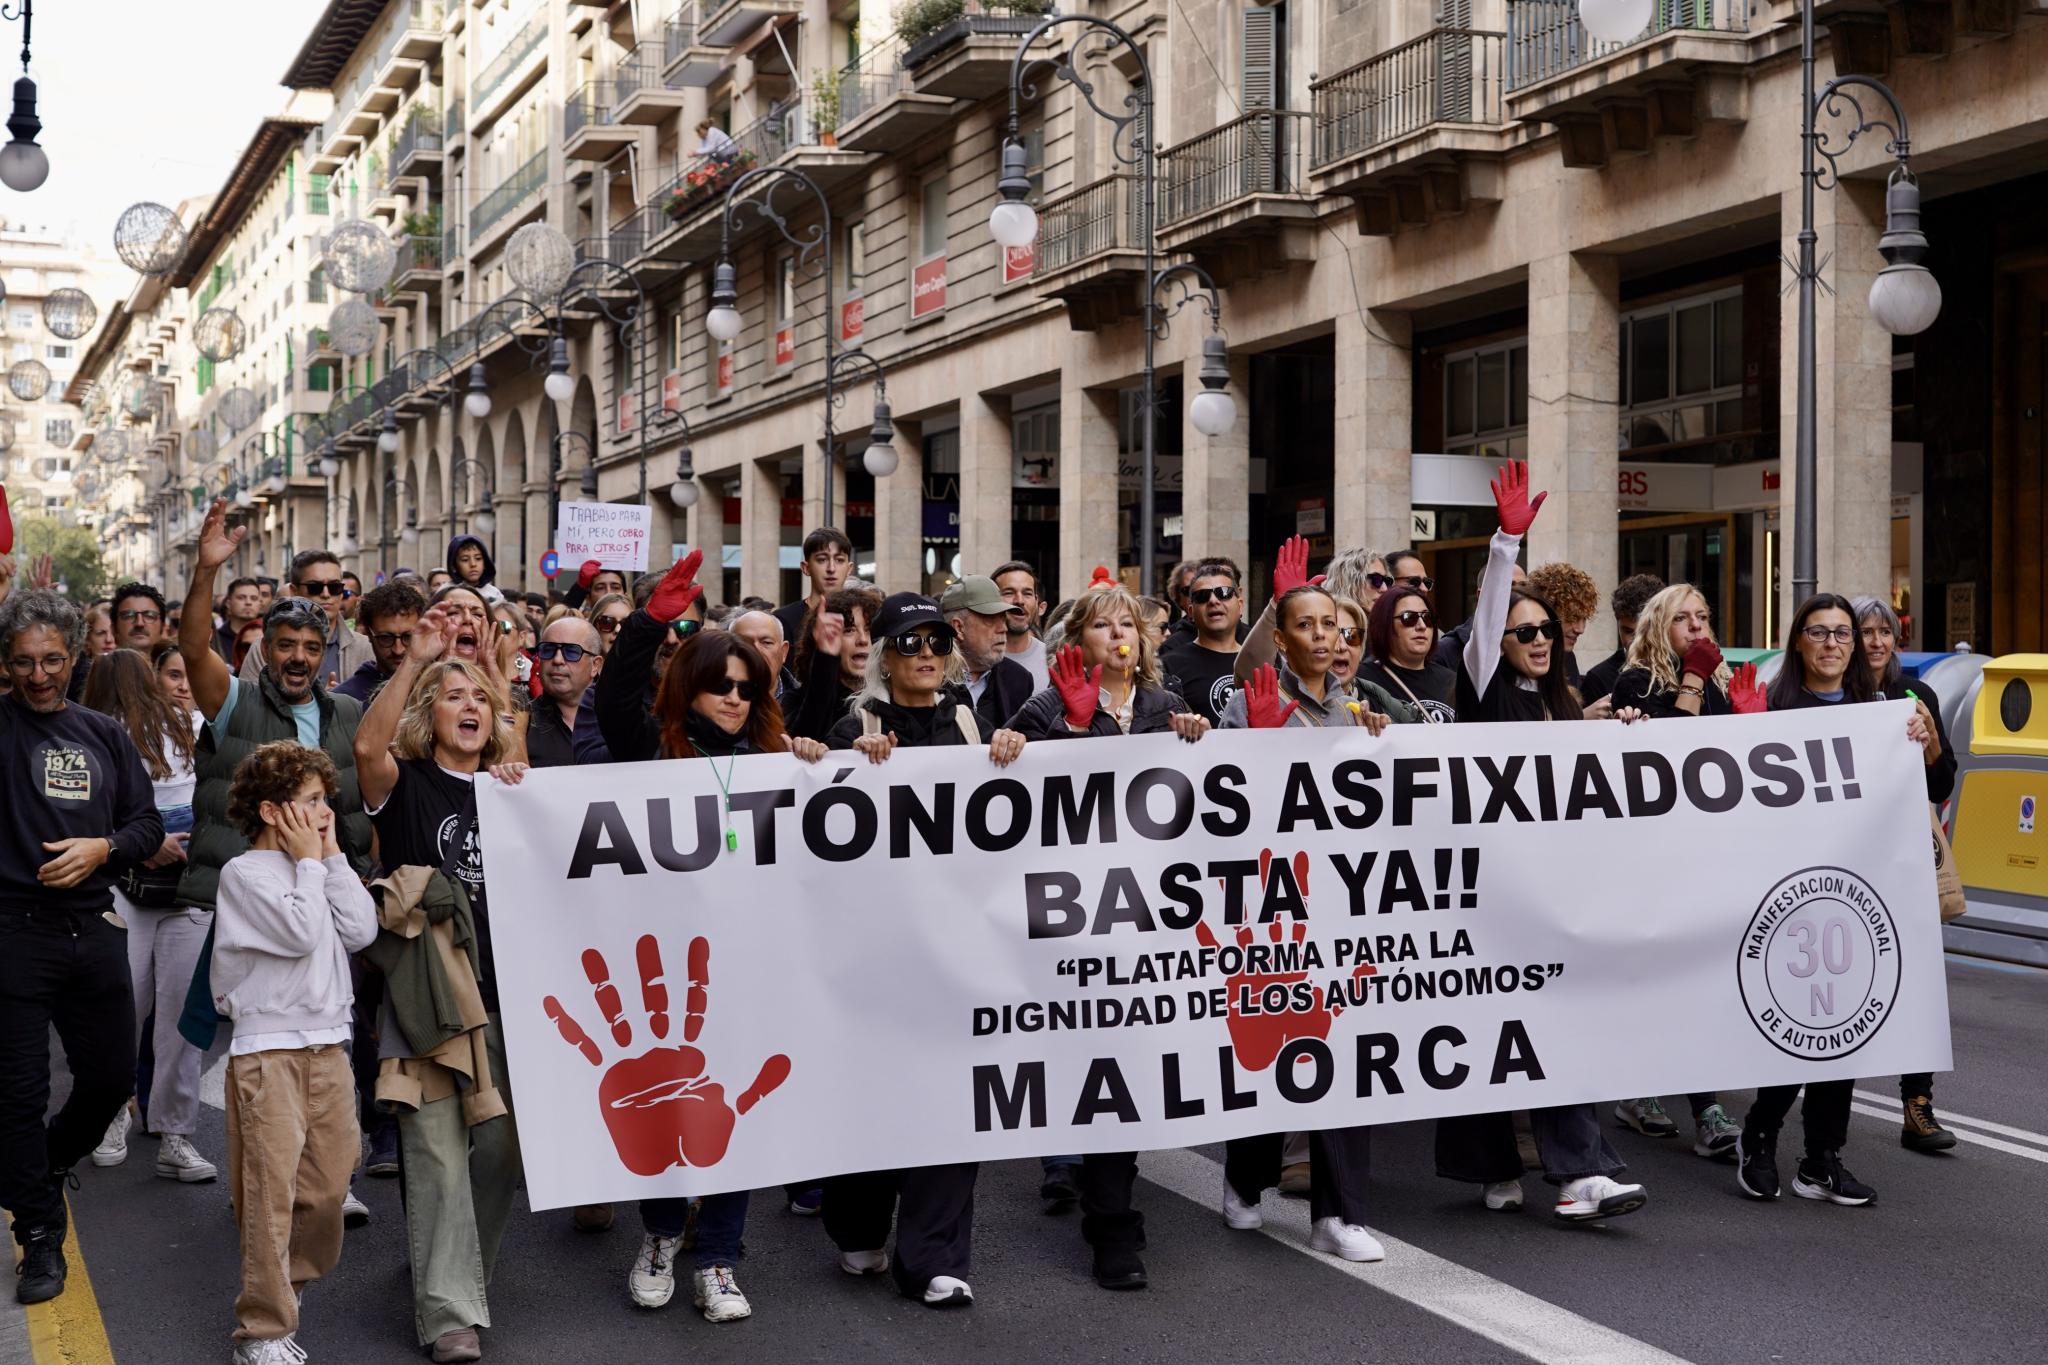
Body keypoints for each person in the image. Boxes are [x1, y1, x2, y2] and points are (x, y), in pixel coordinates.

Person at [582, 553, 824, 1320]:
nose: (732, 697)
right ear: (691, 686)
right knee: (666, 1103)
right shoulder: (648, 750)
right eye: (719, 684)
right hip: (668, 975)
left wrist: (821, 763)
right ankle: (659, 1234)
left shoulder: (776, 761)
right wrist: (650, 621)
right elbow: (617, 691)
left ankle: (717, 1258)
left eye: (747, 688)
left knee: (732, 1113)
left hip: (750, 970)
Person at [1436, 462, 1647, 1223]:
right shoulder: (1484, 685)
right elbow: (1493, 616)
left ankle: (1583, 1171)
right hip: (1490, 891)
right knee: (1495, 1032)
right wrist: (1505, 542)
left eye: (1546, 632)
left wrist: (1616, 734)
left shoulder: (1562, 703)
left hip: (1552, 894)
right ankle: (1499, 1162)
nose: (1535, 638)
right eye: (1522, 630)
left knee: (1555, 1026)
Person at [817, 592, 1024, 1308]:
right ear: (885, 656)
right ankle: (859, 1221)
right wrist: (846, 760)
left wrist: (1009, 753)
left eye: (938, 641)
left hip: (956, 951)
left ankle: (932, 1257)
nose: (927, 654)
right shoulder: (856, 721)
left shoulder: (969, 721)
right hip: (875, 954)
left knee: (950, 1100)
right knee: (875, 1097)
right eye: (910, 643)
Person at [1007, 588, 1207, 1291]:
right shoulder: (1044, 706)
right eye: (1103, 624)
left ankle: (1105, 1196)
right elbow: (1007, 792)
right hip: (1077, 922)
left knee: (1133, 1064)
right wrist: (1061, 731)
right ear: (1076, 640)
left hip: (1154, 919)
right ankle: (1114, 1226)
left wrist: (1216, 742)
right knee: (1103, 1066)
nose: (1119, 633)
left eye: (1128, 623)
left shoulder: (1166, 707)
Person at [353, 609, 524, 1362]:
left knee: (496, 1153)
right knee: (435, 1153)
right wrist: (416, 659)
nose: (470, 707)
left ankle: (452, 1272)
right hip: (426, 1000)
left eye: (480, 698)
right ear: (430, 714)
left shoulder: (516, 789)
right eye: (454, 696)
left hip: (507, 997)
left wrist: (519, 767)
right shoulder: (410, 783)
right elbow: (365, 744)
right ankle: (451, 1310)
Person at [1734, 592, 1935, 1209]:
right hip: (1787, 897)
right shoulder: (1775, 708)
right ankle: (1760, 1136)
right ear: (1798, 643)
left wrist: (1924, 744)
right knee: (1793, 1030)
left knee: (1844, 1032)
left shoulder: (1882, 710)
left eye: (1843, 634)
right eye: (1818, 633)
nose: (1832, 644)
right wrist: (1746, 733)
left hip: (1855, 895)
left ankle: (1822, 1159)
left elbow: (1938, 781)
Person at [0, 588, 163, 1306]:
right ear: (6, 664)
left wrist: (104, 847)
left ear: (76, 656)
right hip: (12, 935)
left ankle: (38, 1166)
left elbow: (147, 826)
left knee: (107, 1083)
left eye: (53, 660)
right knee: (17, 1096)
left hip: (94, 929)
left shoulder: (103, 733)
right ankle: (38, 1232)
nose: (40, 676)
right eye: (24, 662)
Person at [1213, 596, 1387, 1263]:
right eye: (1308, 625)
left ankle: (1339, 1214)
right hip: (1270, 914)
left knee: (1345, 1054)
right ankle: (1244, 1174)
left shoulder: (1360, 711)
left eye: (1335, 627)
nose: (1325, 637)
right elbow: (1217, 802)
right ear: (1281, 639)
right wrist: (1254, 741)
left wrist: (1378, 741)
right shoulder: (1251, 698)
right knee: (1268, 1049)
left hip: (1344, 914)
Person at [211, 740, 378, 1365]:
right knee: (268, 1195)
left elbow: (361, 930)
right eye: (312, 802)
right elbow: (303, 930)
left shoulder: (318, 861)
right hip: (267, 1055)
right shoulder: (244, 875)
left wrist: (330, 856)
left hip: (328, 1046)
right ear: (275, 811)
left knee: (329, 1189)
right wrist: (311, 862)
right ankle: (262, 1329)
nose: (325, 812)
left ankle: (288, 1287)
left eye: (325, 802)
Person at [176, 504, 375, 926]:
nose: (299, 658)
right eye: (286, 645)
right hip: (237, 904)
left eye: (311, 648)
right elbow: (193, 649)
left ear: (324, 655)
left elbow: (359, 813)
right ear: (265, 651)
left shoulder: (346, 712)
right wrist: (206, 570)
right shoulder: (235, 701)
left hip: (322, 898)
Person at [1600, 584, 1745, 1159]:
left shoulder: (1720, 684)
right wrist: (1691, 681)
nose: (1696, 627)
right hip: (1650, 857)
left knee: (1700, 979)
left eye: (1704, 618)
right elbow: (1671, 764)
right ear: (1660, 625)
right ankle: (1643, 1087)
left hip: (1704, 853)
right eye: (1683, 619)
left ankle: (1704, 1101)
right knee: (1656, 977)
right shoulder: (1636, 683)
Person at [80, 650, 217, 1184]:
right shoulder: (98, 734)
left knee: (130, 1015)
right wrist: (147, 841)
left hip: (175, 890)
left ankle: (159, 1129)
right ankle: (146, 1125)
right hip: (133, 889)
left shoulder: (192, 726)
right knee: (164, 1022)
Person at [1851, 594, 1960, 1154]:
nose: (1875, 642)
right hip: (1847, 858)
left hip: (1904, 858)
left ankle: (1918, 1106)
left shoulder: (1918, 695)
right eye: (1865, 631)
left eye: (1884, 632)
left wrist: (1931, 740)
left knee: (1919, 979)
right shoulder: (1837, 696)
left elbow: (1941, 784)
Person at [238, 551, 373, 691]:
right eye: (315, 587)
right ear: (294, 591)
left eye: (334, 587)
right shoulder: (264, 647)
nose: (326, 594)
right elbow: (249, 704)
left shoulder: (365, 647)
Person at [786, 585, 881, 743]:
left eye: (869, 629)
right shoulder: (795, 701)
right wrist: (825, 658)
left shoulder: (893, 701)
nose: (863, 640)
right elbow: (803, 740)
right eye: (849, 630)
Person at [941, 575, 1034, 733]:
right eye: (990, 619)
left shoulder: (1019, 679)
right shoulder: (929, 680)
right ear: (959, 628)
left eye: (1003, 619)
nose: (1003, 628)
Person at [1159, 560, 1244, 726]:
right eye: (1202, 596)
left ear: (1240, 605)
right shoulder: (1167, 666)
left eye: (1224, 593)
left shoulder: (1260, 661)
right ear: (1191, 612)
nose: (1213, 601)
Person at [1358, 585, 1457, 722]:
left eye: (1427, 618)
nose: (1421, 626)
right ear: (1384, 625)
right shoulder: (1363, 680)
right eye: (1409, 618)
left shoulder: (1452, 681)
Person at [527, 615, 609, 769]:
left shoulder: (620, 721)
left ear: (595, 666)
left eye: (571, 651)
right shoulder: (521, 722)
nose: (557, 660)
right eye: (548, 650)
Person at [335, 580, 427, 706]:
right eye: (386, 638)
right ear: (367, 632)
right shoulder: (345, 700)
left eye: (408, 637)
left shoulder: (436, 687)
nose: (398, 649)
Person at [1581, 573, 1664, 705]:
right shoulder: (1598, 678)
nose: (1637, 641)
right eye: (1628, 631)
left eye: (1644, 632)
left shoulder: (1681, 670)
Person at [772, 527, 854, 643]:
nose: (831, 568)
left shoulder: (862, 618)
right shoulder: (784, 619)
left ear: (849, 568)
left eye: (839, 560)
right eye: (822, 560)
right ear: (806, 568)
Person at [1525, 560, 1598, 691]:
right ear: (1547, 612)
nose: (1580, 629)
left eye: (1584, 618)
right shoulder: (1522, 658)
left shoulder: (1568, 659)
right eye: (1573, 617)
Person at [991, 560, 1050, 688]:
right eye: (1009, 593)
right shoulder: (976, 661)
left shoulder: (1052, 661)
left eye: (1027, 593)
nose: (1019, 601)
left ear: (1036, 602)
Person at [446, 535, 505, 606]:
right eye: (465, 560)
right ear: (454, 566)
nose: (473, 564)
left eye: (478, 558)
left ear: (485, 563)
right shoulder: (446, 592)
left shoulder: (494, 594)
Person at [111, 581, 169, 652]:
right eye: (129, 615)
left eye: (149, 615)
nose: (139, 623)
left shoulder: (182, 662)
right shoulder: (100, 663)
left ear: (163, 627)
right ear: (113, 629)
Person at [217, 577, 265, 661]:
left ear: (260, 604)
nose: (248, 602)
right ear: (228, 603)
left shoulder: (268, 637)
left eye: (253, 598)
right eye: (241, 598)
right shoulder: (216, 639)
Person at [563, 561, 629, 613]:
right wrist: (579, 587)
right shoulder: (581, 629)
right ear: (588, 599)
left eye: (616, 588)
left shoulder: (636, 626)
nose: (608, 593)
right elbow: (561, 617)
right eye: (600, 588)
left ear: (625, 596)